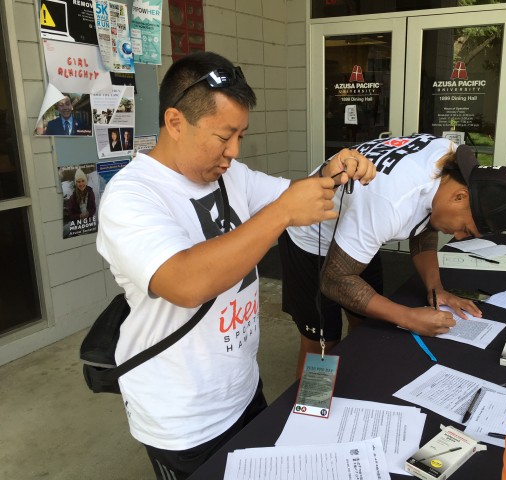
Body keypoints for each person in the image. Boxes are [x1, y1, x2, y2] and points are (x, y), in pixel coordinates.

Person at [95, 51, 375, 480]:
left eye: (242, 135)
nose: (235, 151)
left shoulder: (231, 175)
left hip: (243, 390)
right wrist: (281, 214)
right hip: (183, 418)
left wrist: (332, 171)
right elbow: (184, 282)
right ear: (175, 123)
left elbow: (296, 193)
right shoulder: (131, 195)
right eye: (225, 136)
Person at [280, 133, 506, 378]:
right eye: (464, 229)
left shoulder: (452, 166)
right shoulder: (392, 203)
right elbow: (334, 280)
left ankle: (355, 380)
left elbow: (425, 222)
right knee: (322, 341)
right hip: (311, 236)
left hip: (361, 228)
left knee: (366, 323)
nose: (458, 237)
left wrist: (436, 287)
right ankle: (306, 411)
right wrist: (408, 317)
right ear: (460, 197)